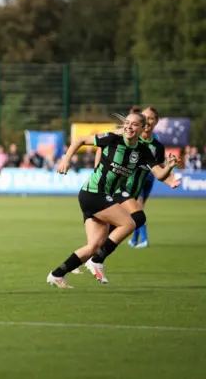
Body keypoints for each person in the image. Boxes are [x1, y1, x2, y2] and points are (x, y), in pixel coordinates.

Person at [47, 112, 178, 288]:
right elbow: (79, 140)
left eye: (134, 125)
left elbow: (159, 175)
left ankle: (57, 274)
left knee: (93, 246)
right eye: (127, 123)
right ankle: (97, 261)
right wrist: (66, 160)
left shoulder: (143, 151)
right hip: (92, 193)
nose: (129, 127)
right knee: (129, 223)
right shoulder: (111, 139)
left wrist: (169, 166)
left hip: (100, 196)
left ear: (142, 128)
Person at [82, 107, 179, 283]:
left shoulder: (156, 147)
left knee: (106, 235)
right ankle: (97, 259)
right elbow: (102, 146)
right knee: (138, 217)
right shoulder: (127, 135)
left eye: (151, 119)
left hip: (139, 187)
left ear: (155, 122)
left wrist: (170, 179)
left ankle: (86, 258)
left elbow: (159, 171)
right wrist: (98, 168)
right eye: (146, 118)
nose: (148, 122)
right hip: (120, 188)